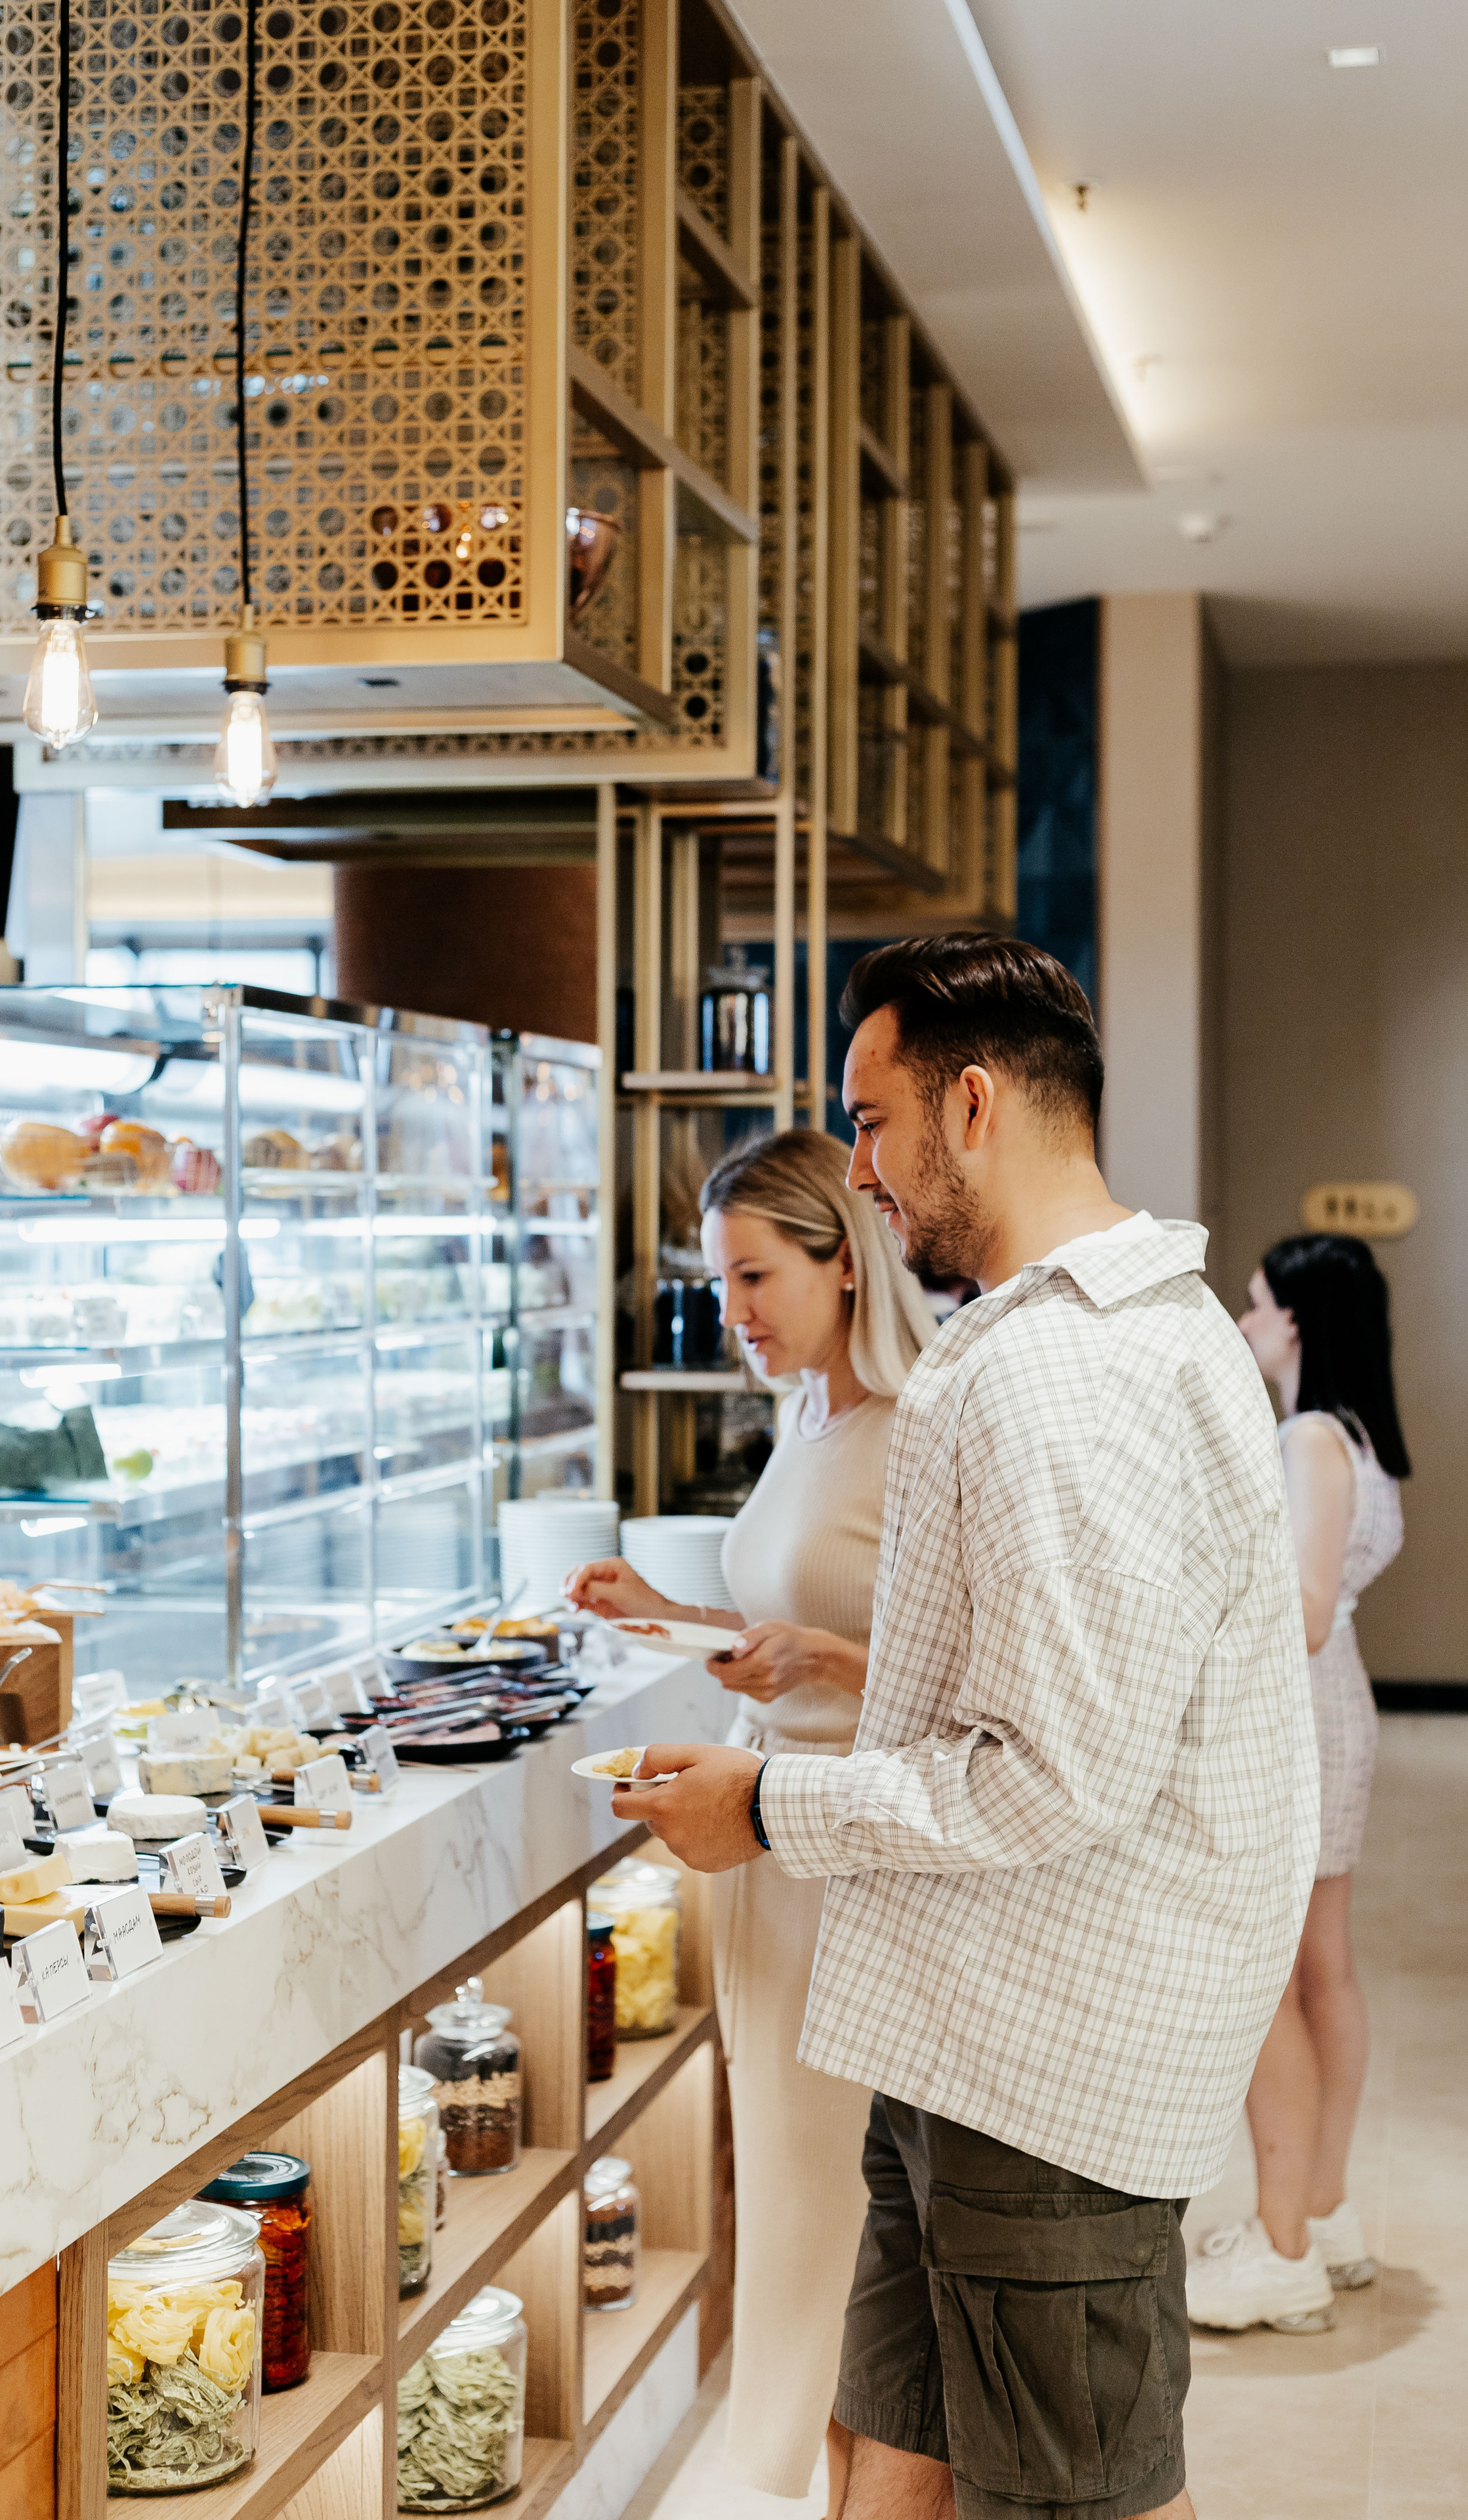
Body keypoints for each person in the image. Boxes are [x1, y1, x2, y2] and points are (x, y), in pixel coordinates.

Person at [609, 933, 1319, 2520]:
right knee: (887, 2458)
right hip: (958, 2018)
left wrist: (772, 1811)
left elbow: (1053, 1774)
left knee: (1073, 2496)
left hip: (1051, 2059)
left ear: (975, 1103)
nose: (860, 1173)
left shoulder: (1063, 1374)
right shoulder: (1127, 1321)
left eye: (870, 1124)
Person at [566, 1131, 938, 2508]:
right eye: (718, 1285)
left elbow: (959, 1674)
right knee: (784, 2194)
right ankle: (824, 2473)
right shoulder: (809, 1419)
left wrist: (819, 1667)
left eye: (753, 1277)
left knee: (839, 2208)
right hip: (766, 1852)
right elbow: (807, 1628)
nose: (733, 1315)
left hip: (850, 1857)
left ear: (846, 1261)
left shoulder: (922, 1427)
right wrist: (666, 1618)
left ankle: (857, 2475)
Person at [1186, 1234, 1408, 2334]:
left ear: (1299, 1324)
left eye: (1258, 1302)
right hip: (1338, 1705)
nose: (1241, 1317)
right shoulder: (1356, 1438)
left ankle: (1283, 2246)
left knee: (1274, 1977)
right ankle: (1320, 2211)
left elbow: (1306, 1611)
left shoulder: (1309, 1438)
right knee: (1324, 1969)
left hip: (1302, 1713)